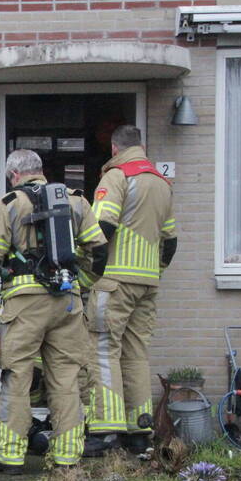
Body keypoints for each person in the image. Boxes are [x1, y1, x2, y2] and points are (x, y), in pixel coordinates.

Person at [0, 149, 108, 472]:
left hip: (23, 305)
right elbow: (100, 250)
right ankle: (66, 456)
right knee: (66, 378)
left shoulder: (8, 204)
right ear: (40, 170)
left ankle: (10, 456)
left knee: (17, 377)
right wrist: (82, 283)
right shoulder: (77, 201)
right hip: (68, 302)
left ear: (14, 175)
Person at [81, 125, 177, 457]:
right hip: (147, 283)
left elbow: (102, 227)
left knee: (103, 350)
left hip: (115, 281)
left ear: (113, 149)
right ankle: (139, 429)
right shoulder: (162, 184)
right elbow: (171, 241)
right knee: (136, 352)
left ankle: (106, 429)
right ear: (141, 146)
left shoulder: (117, 176)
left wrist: (86, 267)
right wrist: (155, 272)